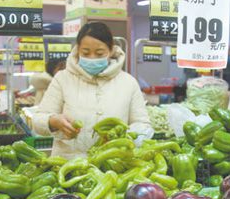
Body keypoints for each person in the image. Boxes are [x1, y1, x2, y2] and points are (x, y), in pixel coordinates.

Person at [32, 22, 153, 159]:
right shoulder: (63, 78)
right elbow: (38, 120)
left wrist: (124, 137)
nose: (92, 58)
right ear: (77, 50)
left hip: (112, 167)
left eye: (99, 53)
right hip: (68, 164)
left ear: (111, 51)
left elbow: (143, 124)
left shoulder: (128, 83)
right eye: (86, 52)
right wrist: (54, 121)